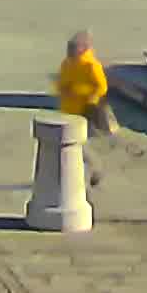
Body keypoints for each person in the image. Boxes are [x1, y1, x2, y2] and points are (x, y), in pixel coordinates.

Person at [56, 31, 112, 184]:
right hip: (68, 109)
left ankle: (95, 169)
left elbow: (102, 87)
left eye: (73, 48)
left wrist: (88, 98)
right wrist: (63, 89)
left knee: (78, 143)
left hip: (84, 110)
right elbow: (61, 82)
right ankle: (84, 171)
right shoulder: (66, 63)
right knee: (69, 143)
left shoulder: (91, 65)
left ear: (82, 49)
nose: (69, 51)